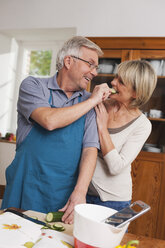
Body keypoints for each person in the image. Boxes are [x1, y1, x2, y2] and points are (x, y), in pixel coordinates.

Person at [1, 36, 111, 224]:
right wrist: (93, 100)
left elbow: (90, 150)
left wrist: (80, 192)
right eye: (90, 64)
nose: (94, 73)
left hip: (62, 196)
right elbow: (49, 120)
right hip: (24, 187)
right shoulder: (33, 86)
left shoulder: (89, 103)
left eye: (96, 68)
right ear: (68, 61)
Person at [87, 60, 157, 211]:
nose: (112, 82)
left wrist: (102, 128)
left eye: (121, 81)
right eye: (115, 77)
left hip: (112, 201)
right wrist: (93, 98)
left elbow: (116, 167)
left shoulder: (142, 125)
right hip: (82, 192)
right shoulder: (102, 104)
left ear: (136, 93)